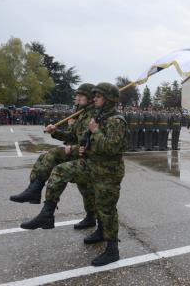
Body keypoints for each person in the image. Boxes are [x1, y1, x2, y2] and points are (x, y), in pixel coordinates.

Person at [20, 82, 127, 266]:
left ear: (109, 100)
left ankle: (112, 249)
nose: (94, 99)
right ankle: (47, 213)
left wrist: (96, 132)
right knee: (60, 171)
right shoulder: (99, 116)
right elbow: (83, 139)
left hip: (108, 172)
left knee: (106, 209)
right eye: (94, 96)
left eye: (98, 96)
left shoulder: (116, 120)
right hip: (91, 165)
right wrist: (78, 141)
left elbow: (112, 148)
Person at [10, 83, 97, 230]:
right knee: (46, 157)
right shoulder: (81, 114)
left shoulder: (93, 116)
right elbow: (72, 136)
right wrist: (54, 131)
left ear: (89, 99)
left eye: (80, 96)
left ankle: (45, 208)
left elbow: (92, 144)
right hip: (79, 154)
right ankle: (34, 189)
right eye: (77, 95)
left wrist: (73, 149)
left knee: (84, 188)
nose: (76, 98)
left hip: (90, 158)